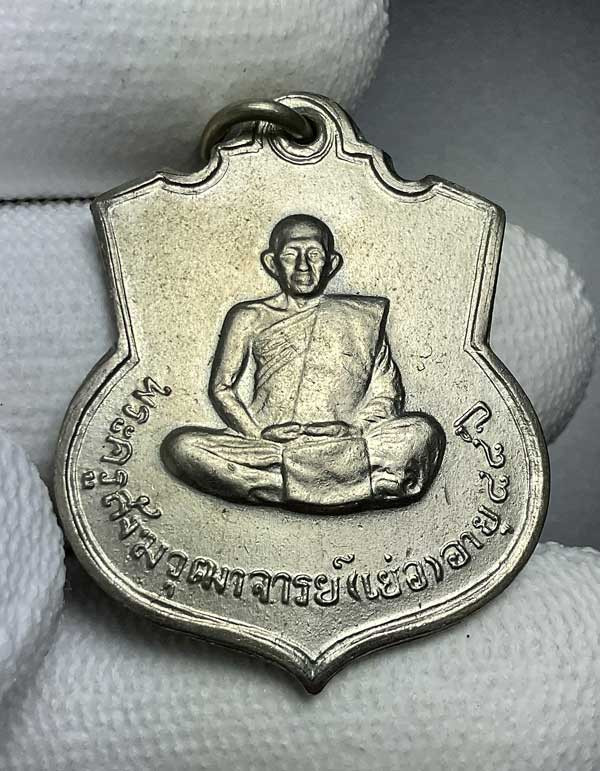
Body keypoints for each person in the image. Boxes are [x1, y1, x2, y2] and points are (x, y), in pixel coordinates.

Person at [161, 214, 445, 510]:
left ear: (331, 264)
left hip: (340, 440)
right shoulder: (249, 316)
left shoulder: (362, 317)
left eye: (314, 255)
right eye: (290, 255)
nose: (303, 267)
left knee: (423, 431)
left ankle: (281, 484)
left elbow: (387, 393)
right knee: (182, 447)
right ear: (272, 263)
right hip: (270, 446)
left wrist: (354, 429)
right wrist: (258, 434)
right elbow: (222, 388)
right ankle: (350, 483)